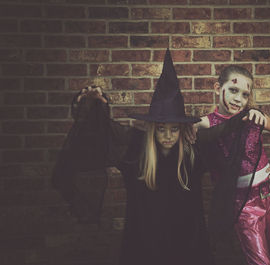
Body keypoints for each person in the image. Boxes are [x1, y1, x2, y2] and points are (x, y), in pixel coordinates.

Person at [52, 50, 254, 265]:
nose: (168, 136)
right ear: (151, 129)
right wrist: (95, 105)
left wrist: (242, 115)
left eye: (174, 129)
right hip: (145, 247)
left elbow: (222, 134)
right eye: (161, 129)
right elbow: (100, 131)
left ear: (182, 129)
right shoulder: (134, 150)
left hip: (186, 247)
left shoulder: (193, 153)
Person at [196, 65, 270, 265]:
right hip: (243, 201)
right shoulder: (207, 122)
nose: (238, 99)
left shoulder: (252, 116)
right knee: (260, 261)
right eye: (233, 90)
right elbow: (187, 127)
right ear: (217, 88)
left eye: (245, 94)